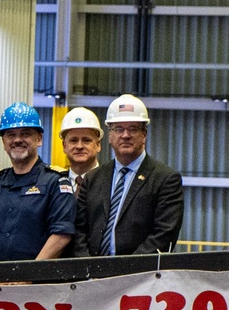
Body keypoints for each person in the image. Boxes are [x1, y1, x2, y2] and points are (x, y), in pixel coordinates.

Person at [73, 94, 184, 257]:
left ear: (144, 134)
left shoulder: (165, 180)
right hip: (93, 276)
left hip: (140, 277)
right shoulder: (92, 178)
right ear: (110, 135)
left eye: (133, 129)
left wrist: (126, 271)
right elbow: (79, 230)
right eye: (118, 129)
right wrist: (89, 269)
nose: (125, 135)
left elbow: (164, 234)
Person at [0, 102, 76, 262]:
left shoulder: (56, 181)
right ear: (4, 142)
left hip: (38, 283)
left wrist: (28, 276)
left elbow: (61, 235)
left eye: (25, 133)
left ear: (39, 138)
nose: (17, 140)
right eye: (11, 134)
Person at [60, 107, 102, 193]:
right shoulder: (55, 183)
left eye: (86, 140)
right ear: (64, 146)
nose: (79, 146)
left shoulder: (111, 182)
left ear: (98, 145)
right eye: (73, 140)